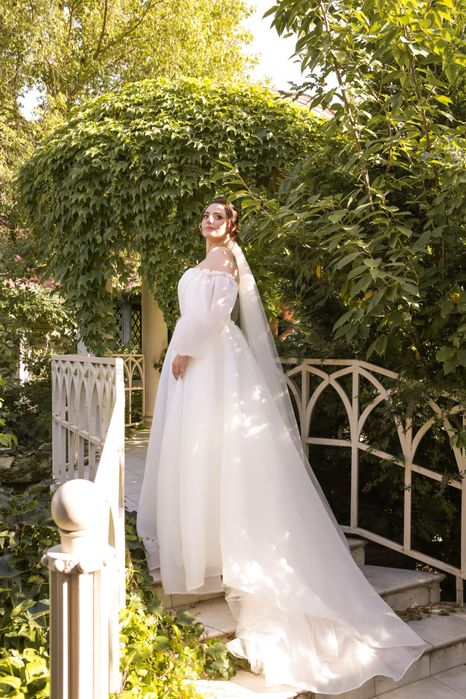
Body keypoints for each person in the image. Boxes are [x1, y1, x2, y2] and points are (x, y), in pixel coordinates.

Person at [137, 198, 425, 694]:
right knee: (198, 452)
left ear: (231, 226)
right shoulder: (205, 260)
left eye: (219, 216)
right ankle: (202, 543)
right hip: (196, 357)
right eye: (206, 214)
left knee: (216, 450)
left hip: (209, 358)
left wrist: (182, 350)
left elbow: (214, 315)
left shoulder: (226, 260)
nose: (209, 220)